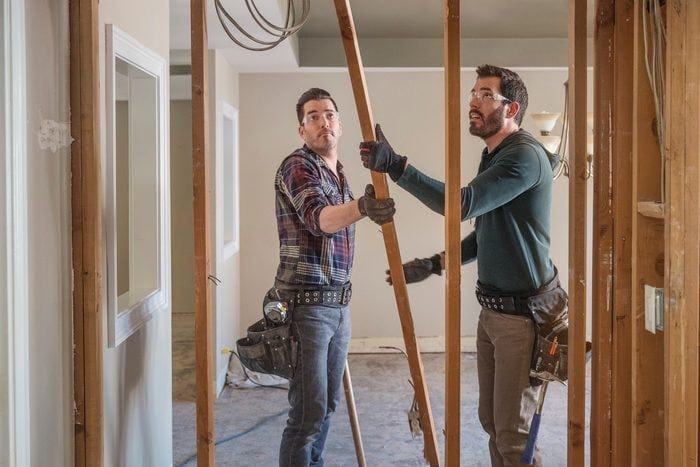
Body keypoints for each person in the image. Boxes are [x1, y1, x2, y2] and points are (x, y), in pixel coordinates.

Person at [359, 65, 567, 466]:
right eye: (474, 93)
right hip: (493, 311)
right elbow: (484, 231)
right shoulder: (494, 155)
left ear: (512, 108)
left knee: (513, 435)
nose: (474, 101)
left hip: (523, 317)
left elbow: (462, 205)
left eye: (487, 95)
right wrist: (434, 264)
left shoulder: (524, 155)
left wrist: (398, 167)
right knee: (492, 422)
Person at [276, 87, 395, 466]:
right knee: (308, 411)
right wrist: (363, 206)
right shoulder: (298, 166)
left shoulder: (339, 173)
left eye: (328, 114)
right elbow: (320, 219)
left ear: (339, 124)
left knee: (326, 404)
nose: (322, 121)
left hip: (338, 305)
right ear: (302, 130)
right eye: (313, 116)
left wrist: (359, 202)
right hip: (306, 306)